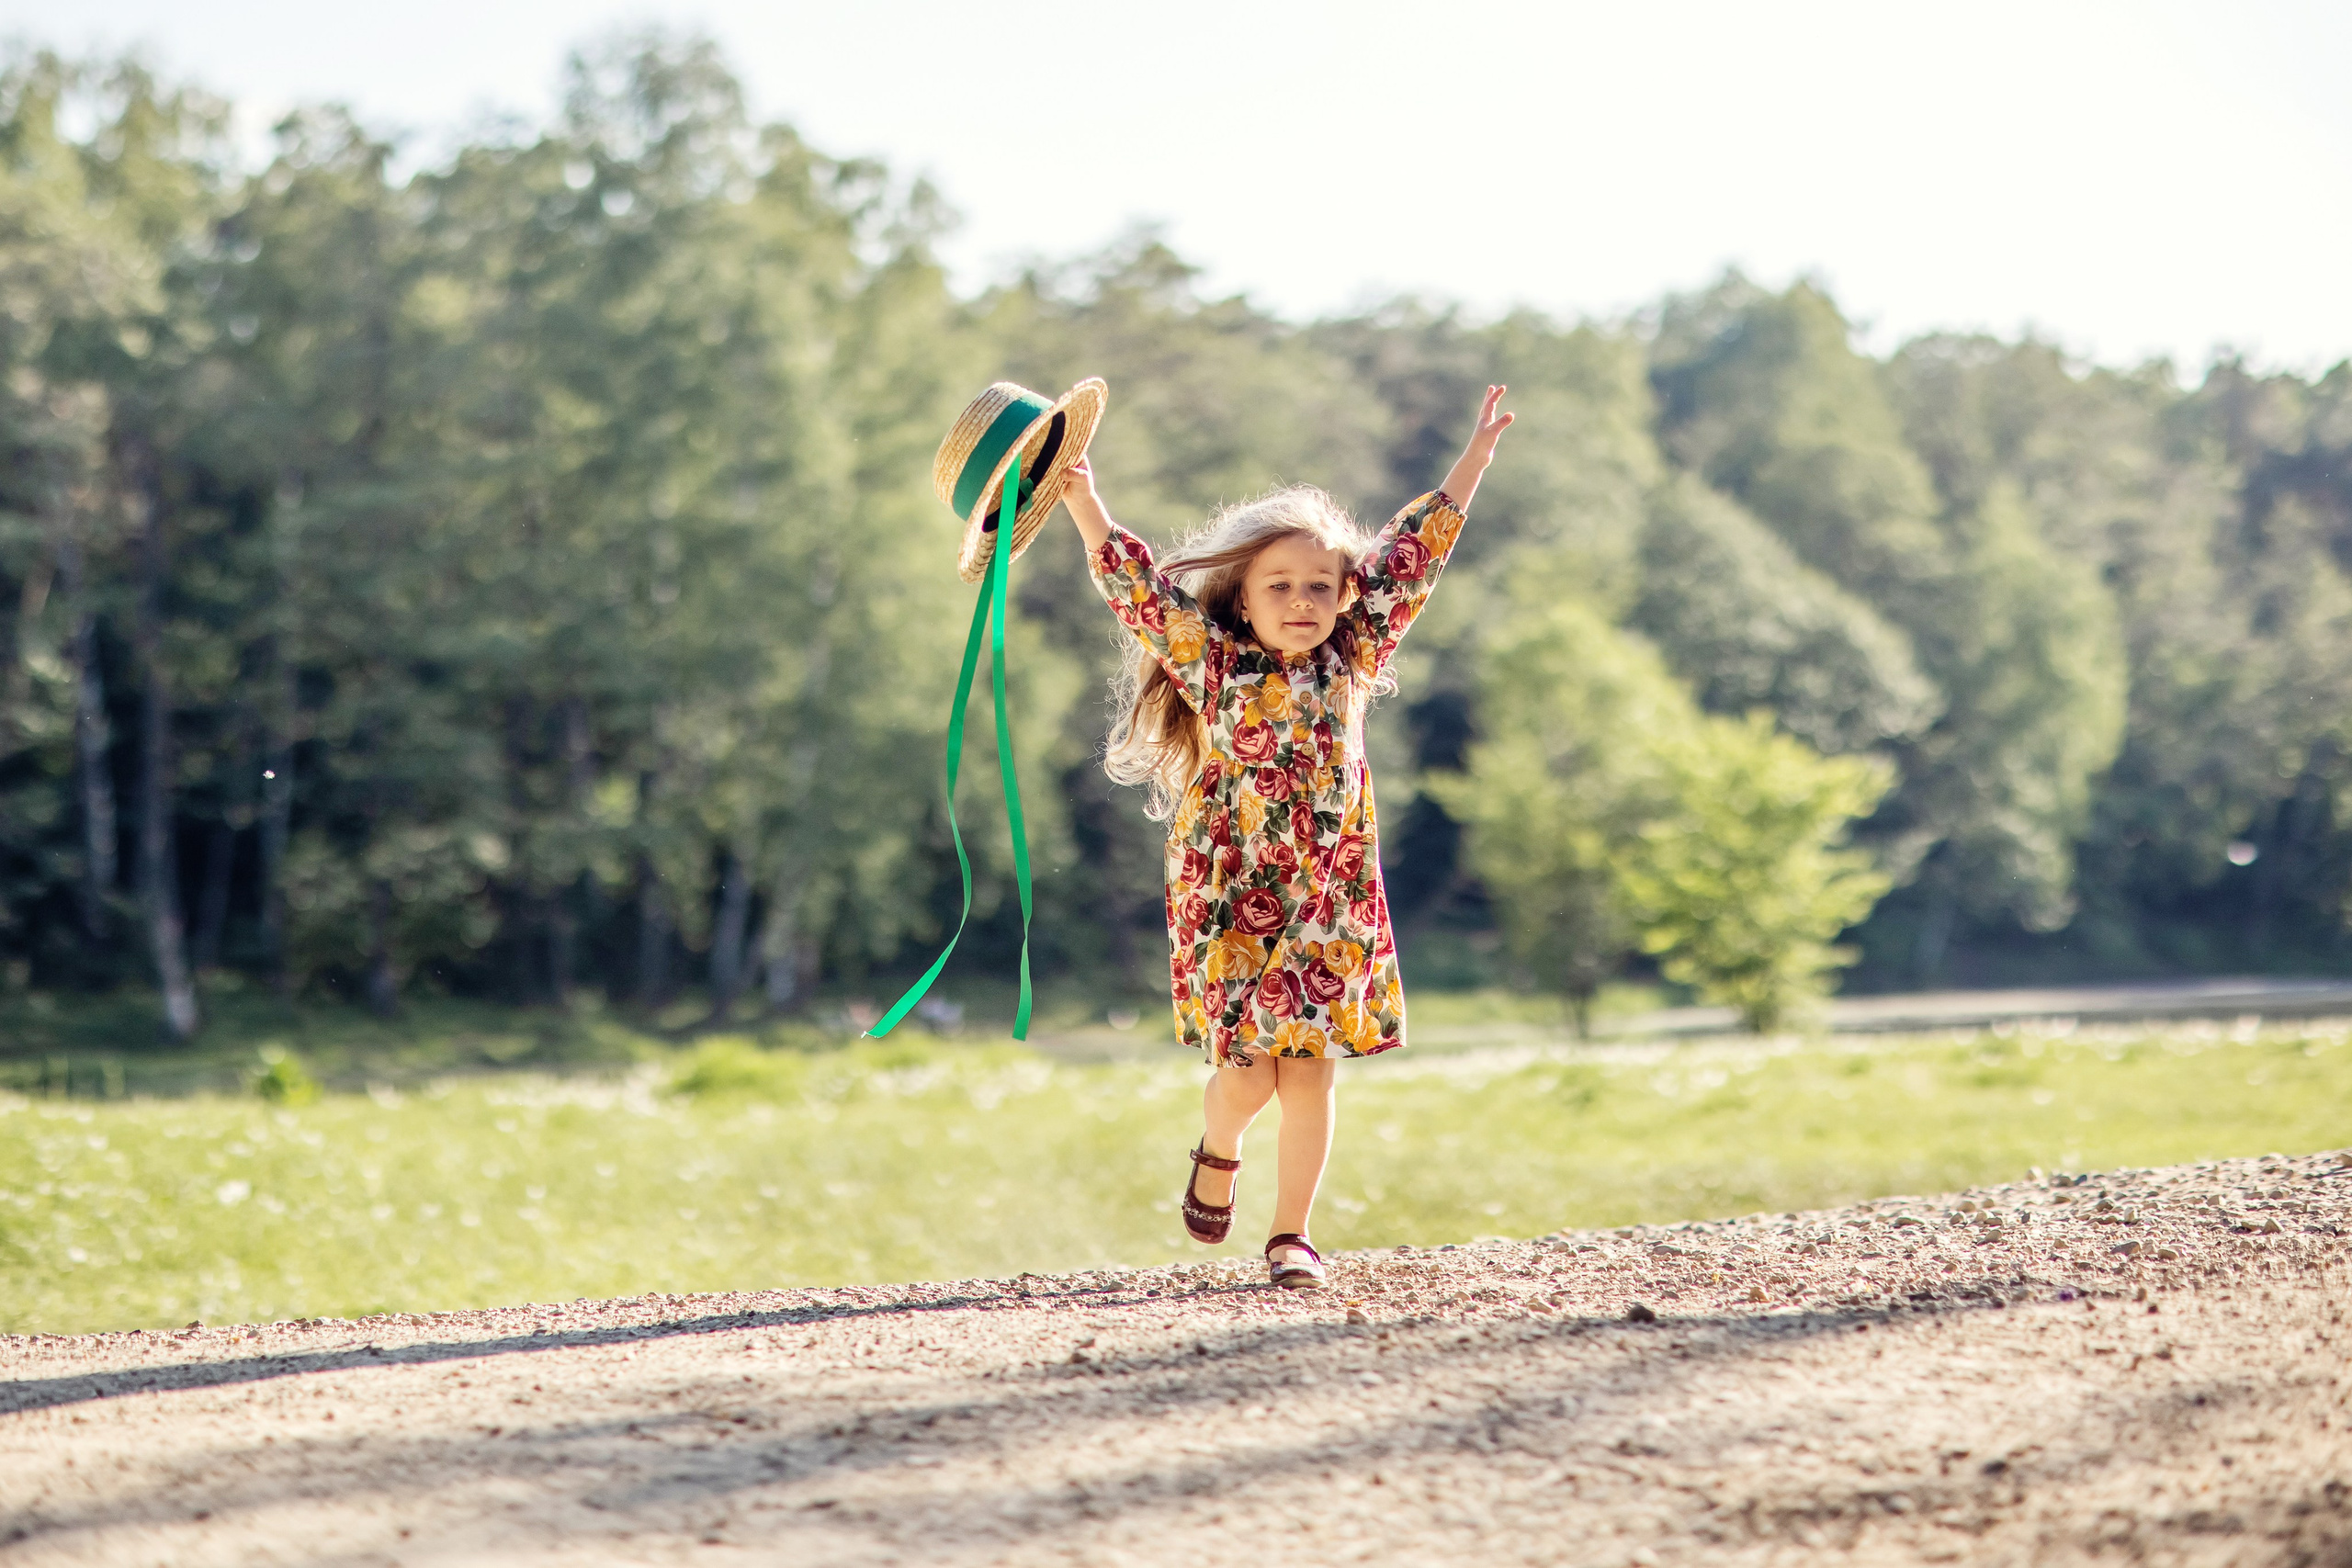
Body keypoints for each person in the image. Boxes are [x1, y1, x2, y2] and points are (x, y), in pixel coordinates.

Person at [1059, 386, 1514, 1288]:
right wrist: (1081, 499)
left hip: (1329, 901)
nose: (1302, 601)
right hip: (1227, 895)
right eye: (1280, 586)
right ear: (1242, 597)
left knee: (1307, 1074)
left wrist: (1472, 463)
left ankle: (1290, 1236)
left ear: (1346, 597)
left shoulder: (1356, 655)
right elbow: (1137, 592)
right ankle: (1218, 1146)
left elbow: (1413, 560)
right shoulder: (1210, 661)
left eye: (1320, 586)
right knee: (1249, 1081)